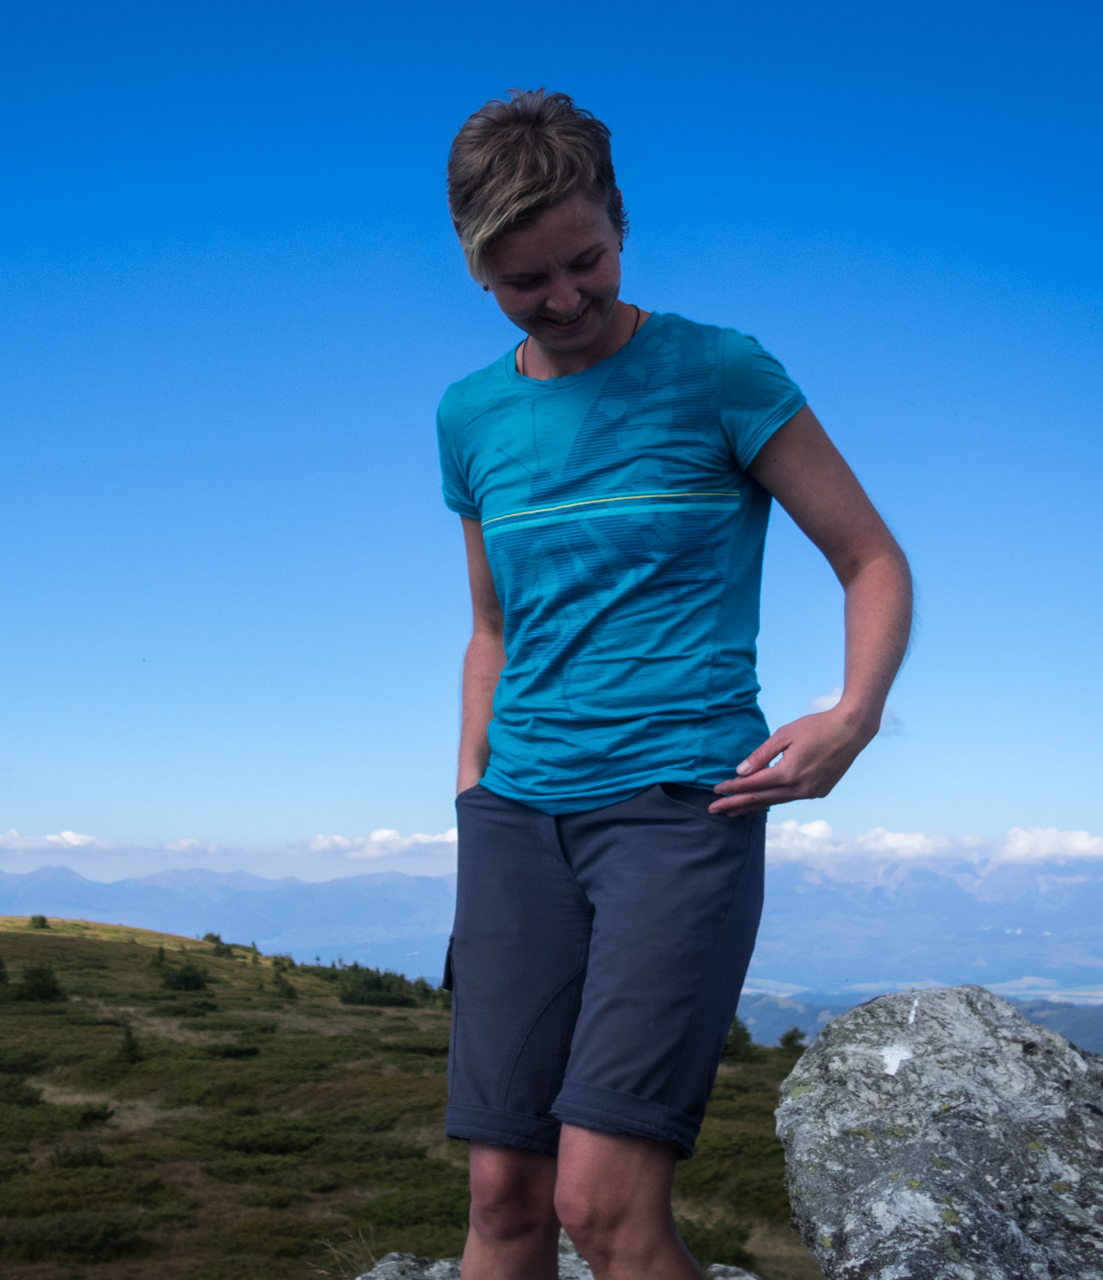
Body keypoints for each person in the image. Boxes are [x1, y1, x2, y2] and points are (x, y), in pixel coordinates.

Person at [437, 91, 912, 1280]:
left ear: (622, 220)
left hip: (674, 815)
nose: (562, 300)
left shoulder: (718, 372)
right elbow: (490, 627)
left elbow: (871, 558)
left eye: (582, 260)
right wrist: (472, 797)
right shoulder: (468, 414)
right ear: (476, 271)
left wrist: (852, 717)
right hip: (515, 820)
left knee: (599, 1203)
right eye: (521, 280)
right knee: (504, 1192)